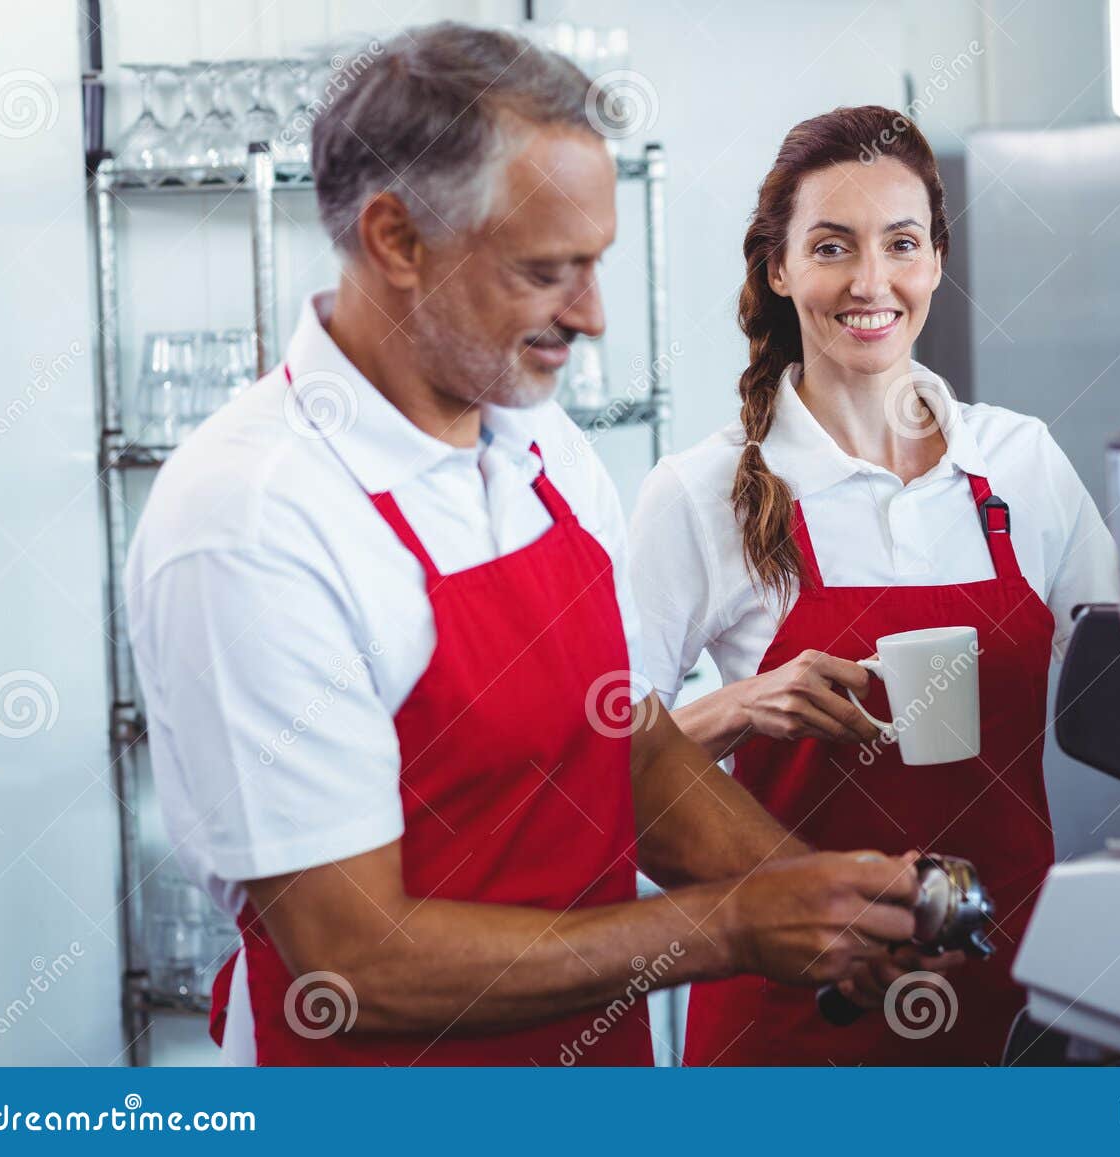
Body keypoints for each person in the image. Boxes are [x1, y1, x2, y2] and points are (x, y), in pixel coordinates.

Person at [125, 26, 922, 1067]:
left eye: (596, 263)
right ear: (397, 240)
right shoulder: (250, 521)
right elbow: (353, 959)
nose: (590, 316)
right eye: (547, 271)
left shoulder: (536, 439)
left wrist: (816, 894)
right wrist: (726, 925)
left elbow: (624, 747)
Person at [628, 106, 1120, 1065]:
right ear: (779, 269)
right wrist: (739, 704)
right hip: (794, 1007)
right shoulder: (700, 490)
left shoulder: (1021, 462)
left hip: (1007, 977)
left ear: (935, 259)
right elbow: (593, 758)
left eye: (900, 244)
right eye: (830, 247)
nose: (870, 282)